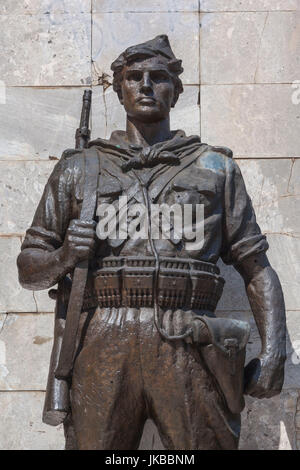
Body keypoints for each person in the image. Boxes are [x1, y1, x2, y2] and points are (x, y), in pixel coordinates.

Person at [17, 35, 286, 450]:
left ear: (175, 91)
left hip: (190, 334)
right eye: (133, 77)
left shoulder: (215, 167)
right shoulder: (79, 169)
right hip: (102, 333)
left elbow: (256, 268)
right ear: (119, 89)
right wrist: (66, 255)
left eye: (158, 77)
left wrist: (274, 351)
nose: (145, 85)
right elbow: (29, 267)